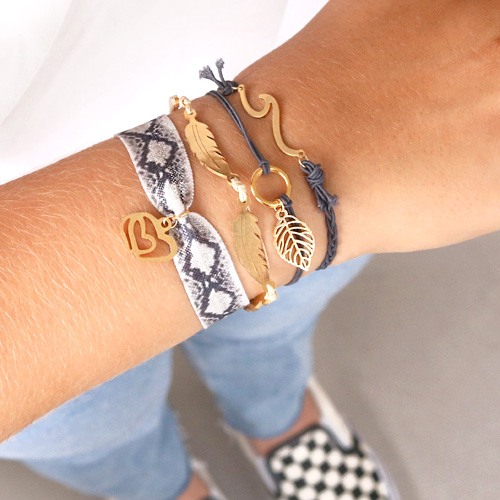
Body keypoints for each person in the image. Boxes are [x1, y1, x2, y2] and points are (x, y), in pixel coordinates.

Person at [2, 0, 500, 499]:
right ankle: (162, 485)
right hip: (31, 305)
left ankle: (274, 416)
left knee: (274, 334)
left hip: (332, 84)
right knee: (95, 433)